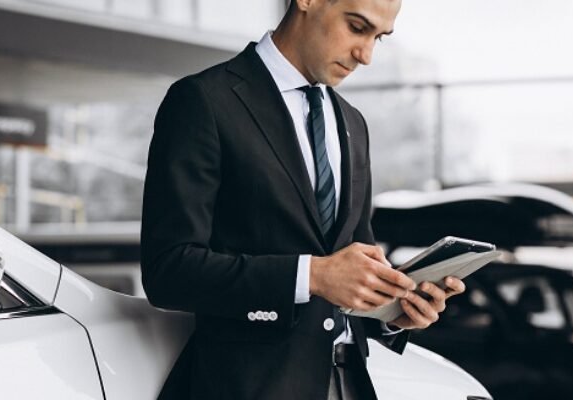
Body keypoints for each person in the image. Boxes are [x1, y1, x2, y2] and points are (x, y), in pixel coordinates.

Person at [140, 0, 467, 399]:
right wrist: (312, 275)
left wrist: (394, 310)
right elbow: (169, 271)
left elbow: (352, 270)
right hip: (250, 387)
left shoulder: (352, 122)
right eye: (357, 27)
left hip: (350, 383)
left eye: (378, 38)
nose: (365, 55)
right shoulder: (203, 101)